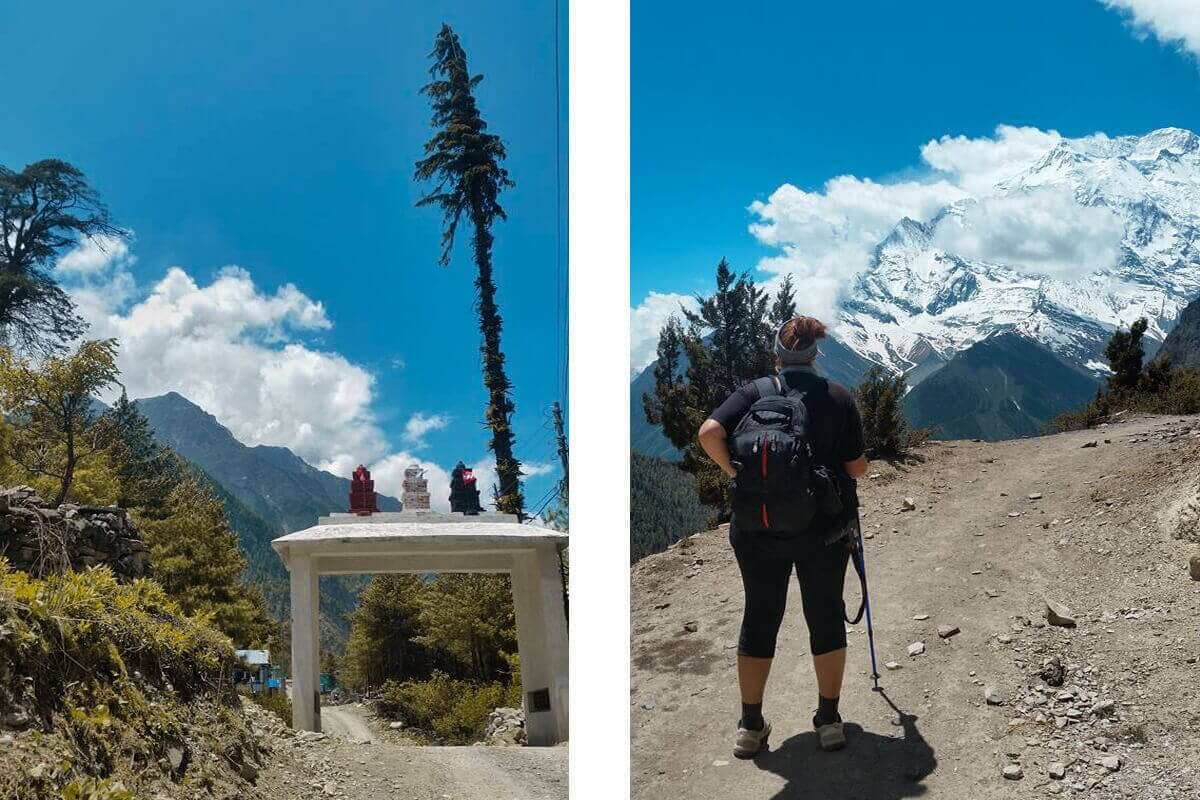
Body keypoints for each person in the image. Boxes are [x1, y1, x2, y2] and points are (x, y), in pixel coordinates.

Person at [697, 315, 868, 759]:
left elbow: (709, 432)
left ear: (778, 352)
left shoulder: (752, 393)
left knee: (760, 616)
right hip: (823, 529)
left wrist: (734, 472)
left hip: (757, 527)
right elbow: (857, 468)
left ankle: (750, 726)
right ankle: (829, 720)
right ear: (816, 353)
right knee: (826, 614)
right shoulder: (836, 396)